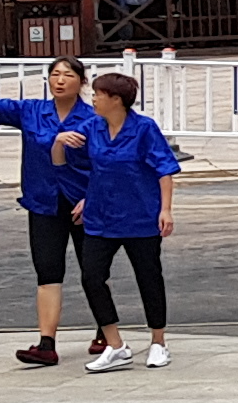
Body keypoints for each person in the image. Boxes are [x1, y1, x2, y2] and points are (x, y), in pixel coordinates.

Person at [0, 61, 102, 366]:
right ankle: (46, 343)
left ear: (82, 82)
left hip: (85, 204)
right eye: (55, 75)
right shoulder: (32, 111)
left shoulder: (94, 118)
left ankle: (106, 331)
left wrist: (92, 197)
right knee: (48, 271)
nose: (60, 81)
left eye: (68, 75)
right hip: (44, 201)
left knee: (93, 271)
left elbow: (108, 164)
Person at [59, 70, 182, 373]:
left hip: (141, 215)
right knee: (92, 276)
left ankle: (158, 342)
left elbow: (164, 171)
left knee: (148, 276)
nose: (94, 100)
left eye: (98, 95)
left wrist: (166, 209)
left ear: (116, 100)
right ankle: (115, 345)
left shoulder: (144, 129)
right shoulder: (93, 127)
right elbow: (69, 162)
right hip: (101, 216)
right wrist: (59, 141)